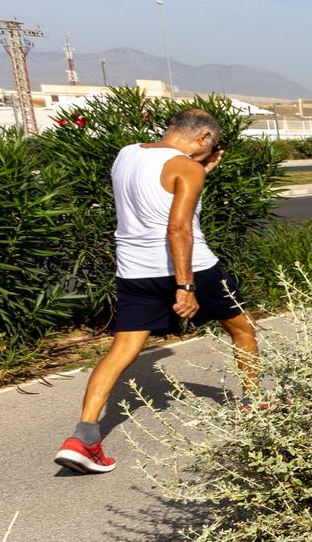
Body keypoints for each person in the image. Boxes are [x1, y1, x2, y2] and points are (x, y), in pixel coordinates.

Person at [53, 109, 256, 475]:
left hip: (134, 272)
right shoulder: (186, 167)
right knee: (242, 329)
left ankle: (83, 436)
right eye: (211, 145)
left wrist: (199, 172)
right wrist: (186, 286)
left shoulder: (128, 153)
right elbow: (178, 229)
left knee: (123, 351)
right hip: (190, 268)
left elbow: (154, 195)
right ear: (204, 139)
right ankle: (255, 403)